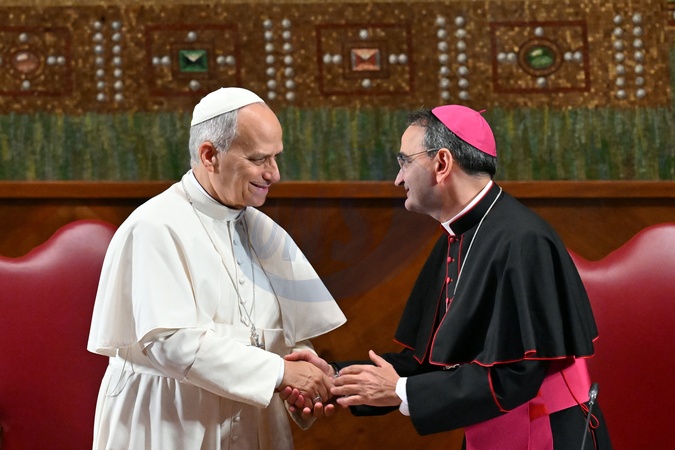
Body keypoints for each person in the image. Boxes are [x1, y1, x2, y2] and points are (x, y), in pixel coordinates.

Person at [288, 105, 612, 449]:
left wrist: (399, 391)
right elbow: (428, 361)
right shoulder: (456, 238)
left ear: (442, 163)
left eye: (404, 162)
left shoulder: (523, 240)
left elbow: (516, 375)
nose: (398, 179)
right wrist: (332, 377)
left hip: (546, 434)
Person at [87, 87, 346, 450]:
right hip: (170, 422)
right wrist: (280, 373)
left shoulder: (265, 232)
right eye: (259, 159)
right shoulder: (154, 226)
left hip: (254, 423)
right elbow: (170, 343)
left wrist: (300, 381)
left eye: (276, 157)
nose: (274, 174)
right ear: (209, 155)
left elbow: (280, 330)